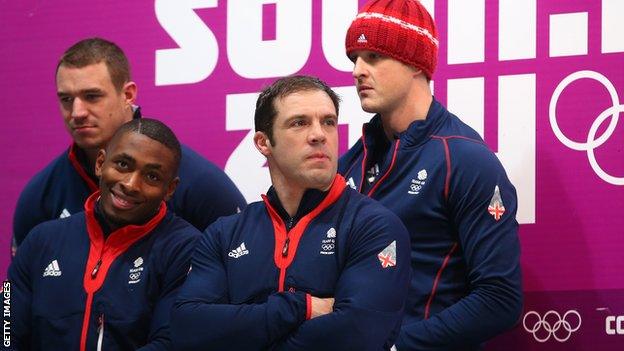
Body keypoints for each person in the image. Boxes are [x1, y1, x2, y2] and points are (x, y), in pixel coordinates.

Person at [171, 75, 411, 351]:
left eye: (328, 122)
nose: (319, 134)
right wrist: (301, 306)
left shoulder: (375, 227)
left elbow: (357, 336)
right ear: (263, 143)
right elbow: (187, 329)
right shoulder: (225, 234)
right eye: (300, 123)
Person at [339, 1, 523, 350]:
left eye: (374, 57)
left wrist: (396, 346)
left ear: (414, 63)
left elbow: (501, 298)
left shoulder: (465, 159)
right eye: (354, 59)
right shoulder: (350, 162)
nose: (358, 71)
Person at [11, 37, 246, 255]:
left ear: (128, 94)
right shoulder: (40, 195)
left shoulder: (198, 182)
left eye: (92, 96)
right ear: (100, 164)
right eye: (66, 99)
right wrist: (7, 300)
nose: (77, 112)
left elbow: (243, 269)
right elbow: (12, 289)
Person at [8, 118, 201, 350]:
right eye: (122, 164)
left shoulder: (187, 249)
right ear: (100, 163)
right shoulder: (40, 240)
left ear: (169, 189)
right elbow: (6, 329)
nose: (130, 184)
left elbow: (171, 342)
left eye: (152, 177)